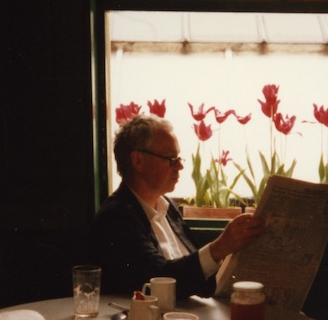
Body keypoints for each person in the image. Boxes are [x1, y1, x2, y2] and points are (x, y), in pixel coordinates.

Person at [88, 114, 265, 298]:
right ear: (138, 161)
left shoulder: (168, 208)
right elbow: (159, 279)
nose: (180, 166)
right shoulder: (115, 217)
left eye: (179, 158)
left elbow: (195, 276)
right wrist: (220, 247)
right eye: (171, 159)